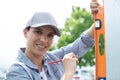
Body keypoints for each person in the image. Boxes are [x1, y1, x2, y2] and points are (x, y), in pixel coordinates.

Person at [5, 1, 99, 80]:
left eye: (50, 35)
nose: (43, 40)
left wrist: (98, 19)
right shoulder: (16, 72)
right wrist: (68, 74)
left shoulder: (53, 58)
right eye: (38, 32)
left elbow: (84, 42)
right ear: (25, 33)